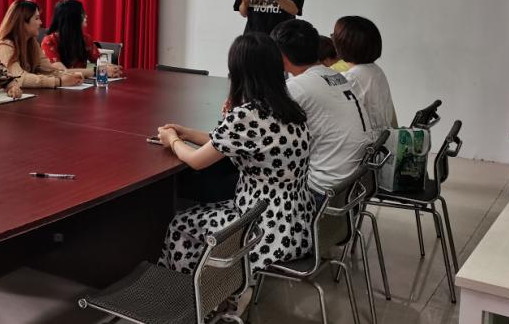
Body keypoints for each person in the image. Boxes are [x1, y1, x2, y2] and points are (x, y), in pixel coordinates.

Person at [157, 33, 314, 287]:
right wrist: (186, 133)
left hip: (264, 229)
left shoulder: (248, 115)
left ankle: (193, 296)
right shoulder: (289, 109)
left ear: (240, 72)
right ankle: (218, 288)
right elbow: (227, 143)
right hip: (297, 222)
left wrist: (172, 140)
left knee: (181, 224)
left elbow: (196, 161)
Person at [272, 20, 370, 205]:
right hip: (352, 184)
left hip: (322, 192)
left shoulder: (298, 86)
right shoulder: (335, 75)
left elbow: (256, 127)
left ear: (281, 56)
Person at [0, 0, 84, 89]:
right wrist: (59, 82)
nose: (41, 22)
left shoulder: (32, 42)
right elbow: (18, 78)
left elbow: (48, 70)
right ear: (22, 22)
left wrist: (69, 76)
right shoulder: (5, 45)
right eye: (37, 18)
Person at [332, 15, 398, 132]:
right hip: (383, 136)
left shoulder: (351, 78)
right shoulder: (376, 70)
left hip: (365, 140)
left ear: (343, 45)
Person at [40, 0, 123, 77]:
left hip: (81, 83)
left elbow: (99, 61)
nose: (86, 16)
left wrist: (112, 68)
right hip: (60, 85)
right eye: (82, 14)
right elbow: (61, 71)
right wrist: (97, 71)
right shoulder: (49, 41)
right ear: (71, 18)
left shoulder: (85, 38)